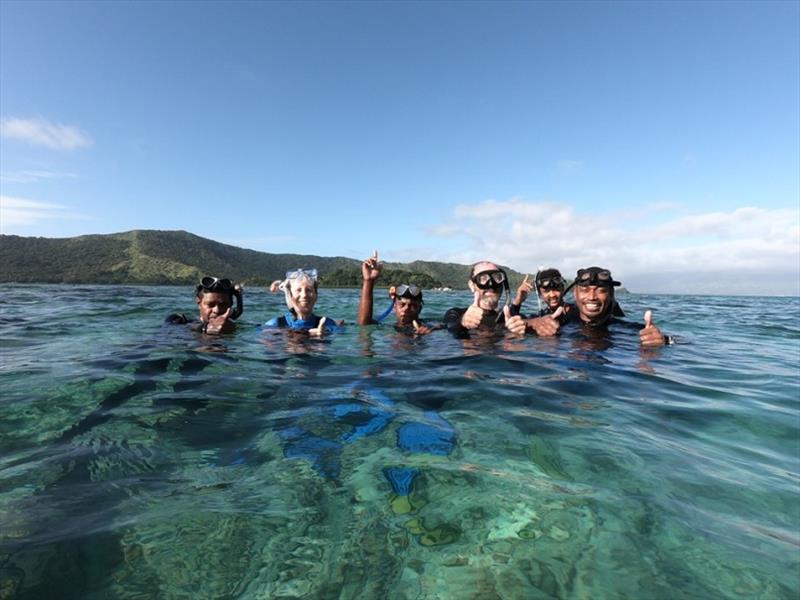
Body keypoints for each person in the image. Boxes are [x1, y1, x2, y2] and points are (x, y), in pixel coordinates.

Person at [525, 266, 671, 346]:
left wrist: (664, 340)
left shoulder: (624, 329)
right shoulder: (562, 320)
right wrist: (532, 323)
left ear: (611, 295)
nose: (592, 297)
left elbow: (683, 342)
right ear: (575, 294)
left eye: (601, 290)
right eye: (585, 290)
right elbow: (513, 324)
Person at [356, 250, 435, 335]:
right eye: (402, 305)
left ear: (419, 309)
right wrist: (368, 281)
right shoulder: (389, 328)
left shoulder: (429, 327)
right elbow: (364, 324)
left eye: (413, 306)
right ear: (394, 307)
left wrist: (426, 336)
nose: (406, 309)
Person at [444, 261, 527, 337]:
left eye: (497, 278)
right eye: (483, 279)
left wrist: (517, 334)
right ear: (472, 286)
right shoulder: (455, 314)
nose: (491, 285)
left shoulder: (513, 319)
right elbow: (450, 327)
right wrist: (462, 322)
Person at [264, 268, 342, 336]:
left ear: (316, 295)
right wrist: (308, 333)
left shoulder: (328, 324)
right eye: (298, 290)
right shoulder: (275, 324)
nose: (304, 295)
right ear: (290, 295)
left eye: (309, 290)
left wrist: (324, 335)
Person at [165, 276, 243, 334]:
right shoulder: (178, 320)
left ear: (231, 305)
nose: (217, 310)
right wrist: (206, 329)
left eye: (223, 305)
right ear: (199, 303)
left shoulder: (234, 327)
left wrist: (238, 296)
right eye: (210, 305)